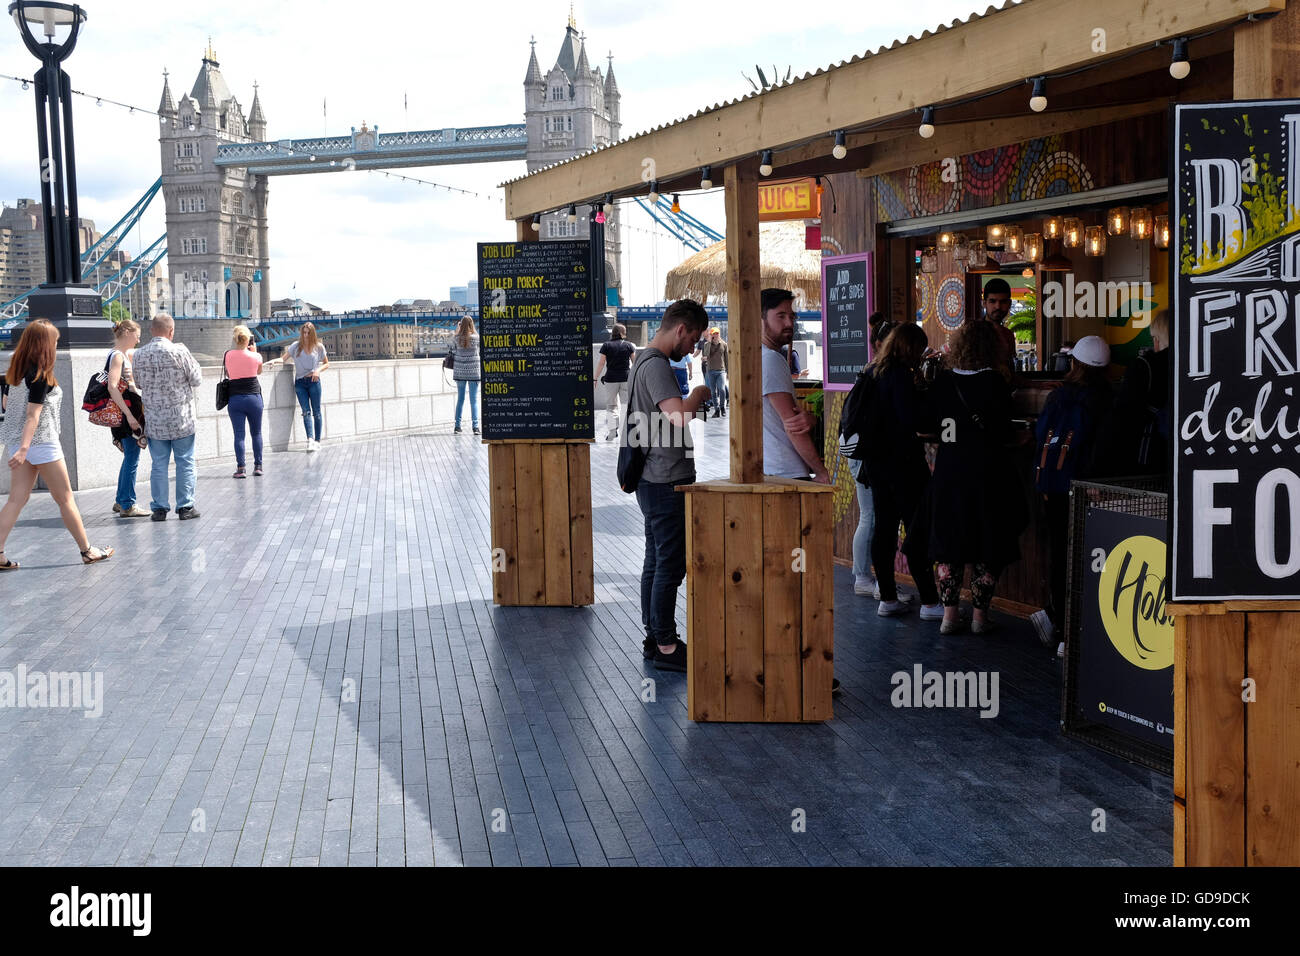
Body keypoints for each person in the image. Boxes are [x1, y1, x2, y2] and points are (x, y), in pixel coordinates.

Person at [624, 299, 711, 672]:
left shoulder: (640, 360)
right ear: (680, 329)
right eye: (692, 339)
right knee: (670, 567)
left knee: (654, 562)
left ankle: (654, 637)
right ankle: (666, 645)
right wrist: (701, 394)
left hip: (651, 478)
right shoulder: (657, 365)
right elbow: (678, 416)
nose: (692, 348)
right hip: (665, 481)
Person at [924, 320, 1027, 634]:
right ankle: (981, 618)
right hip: (988, 474)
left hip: (949, 472)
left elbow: (930, 426)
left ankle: (948, 617)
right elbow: (1005, 430)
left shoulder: (942, 381)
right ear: (992, 348)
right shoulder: (995, 382)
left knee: (949, 543)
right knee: (988, 542)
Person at [0, 318, 114, 568]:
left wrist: (20, 448)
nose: (56, 345)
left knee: (16, 500)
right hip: (40, 443)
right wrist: (25, 449)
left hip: (20, 443)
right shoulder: (40, 376)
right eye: (54, 341)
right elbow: (33, 415)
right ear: (44, 344)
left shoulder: (16, 372)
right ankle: (87, 551)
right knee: (65, 499)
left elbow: (8, 406)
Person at [1031, 335, 1115, 656]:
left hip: (1055, 485)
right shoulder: (1107, 398)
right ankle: (1081, 631)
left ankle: (1061, 628)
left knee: (1061, 555)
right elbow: (1106, 447)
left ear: (1074, 363)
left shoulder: (1058, 397)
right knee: (1090, 558)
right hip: (1092, 489)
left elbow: (1041, 436)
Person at [860, 323, 942, 618]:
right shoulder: (899, 376)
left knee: (884, 529)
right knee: (916, 529)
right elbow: (915, 420)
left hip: (876, 464)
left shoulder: (873, 371)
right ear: (911, 347)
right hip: (903, 464)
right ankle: (931, 602)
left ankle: (888, 598)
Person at [133, 313, 203, 521]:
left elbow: (138, 384)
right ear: (171, 331)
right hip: (181, 418)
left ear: (152, 330)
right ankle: (185, 507)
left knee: (159, 464)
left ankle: (160, 508)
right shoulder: (180, 351)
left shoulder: (139, 354)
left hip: (155, 420)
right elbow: (197, 379)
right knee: (185, 461)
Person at [761, 288, 830, 483]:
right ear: (760, 319)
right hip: (787, 469)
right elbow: (794, 426)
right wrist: (821, 471)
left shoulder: (754, 357)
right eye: (781, 316)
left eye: (792, 316)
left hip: (770, 467)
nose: (789, 323)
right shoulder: (770, 359)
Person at [1108, 309, 1170, 476]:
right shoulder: (1202, 362)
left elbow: (1122, 419)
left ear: (1158, 339)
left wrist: (1099, 471)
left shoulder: (1146, 365)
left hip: (1150, 458)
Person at [105, 319, 151, 518]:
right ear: (127, 333)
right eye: (137, 334)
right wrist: (130, 415)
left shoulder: (116, 354)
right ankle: (128, 504)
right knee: (132, 458)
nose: (139, 339)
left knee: (129, 457)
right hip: (127, 413)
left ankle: (121, 500)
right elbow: (112, 386)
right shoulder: (117, 356)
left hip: (124, 413)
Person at [224, 326, 278, 478]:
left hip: (235, 399)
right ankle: (258, 466)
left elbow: (229, 373)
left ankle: (241, 469)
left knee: (239, 435)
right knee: (256, 433)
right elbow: (258, 372)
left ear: (235, 339)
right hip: (254, 398)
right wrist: (253, 353)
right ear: (248, 339)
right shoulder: (257, 356)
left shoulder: (227, 355)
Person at [284, 322, 329, 450]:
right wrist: (272, 361)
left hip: (314, 382)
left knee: (317, 412)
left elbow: (326, 364)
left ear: (312, 333)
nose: (305, 335)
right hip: (300, 383)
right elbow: (284, 358)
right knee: (306, 412)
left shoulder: (319, 347)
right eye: (304, 333)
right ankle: (310, 440)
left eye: (308, 333)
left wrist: (318, 371)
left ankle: (317, 441)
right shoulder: (295, 346)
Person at [595, 322, 636, 439]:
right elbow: (635, 364)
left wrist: (595, 378)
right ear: (622, 333)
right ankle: (626, 431)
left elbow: (601, 363)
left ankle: (613, 431)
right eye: (625, 333)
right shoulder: (628, 345)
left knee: (612, 406)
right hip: (626, 379)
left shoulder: (606, 345)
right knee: (626, 405)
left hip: (611, 379)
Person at [978, 278, 1018, 374]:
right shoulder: (973, 333)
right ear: (984, 303)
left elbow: (1011, 373)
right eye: (992, 301)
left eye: (1003, 301)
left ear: (1009, 304)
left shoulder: (1008, 335)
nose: (998, 306)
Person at [450, 315, 481, 435]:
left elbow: (452, 352)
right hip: (474, 372)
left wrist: (457, 331)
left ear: (461, 325)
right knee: (473, 400)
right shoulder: (476, 337)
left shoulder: (456, 338)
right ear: (472, 324)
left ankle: (457, 426)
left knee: (460, 399)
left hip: (460, 372)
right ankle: (476, 427)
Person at [695, 327, 729, 418]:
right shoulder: (706, 344)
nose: (716, 335)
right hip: (710, 371)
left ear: (719, 334)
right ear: (711, 334)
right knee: (713, 392)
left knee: (721, 389)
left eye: (717, 333)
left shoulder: (724, 344)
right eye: (714, 333)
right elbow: (706, 354)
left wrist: (728, 372)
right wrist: (710, 342)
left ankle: (722, 407)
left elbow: (726, 359)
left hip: (721, 370)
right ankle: (717, 410)